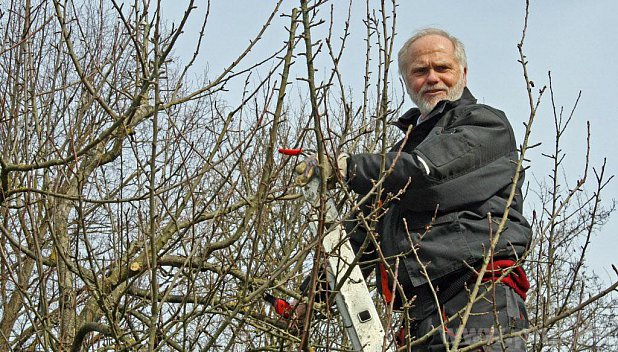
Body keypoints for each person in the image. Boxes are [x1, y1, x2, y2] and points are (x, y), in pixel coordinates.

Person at [302, 28, 532, 351]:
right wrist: (309, 302)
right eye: (420, 71)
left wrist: (347, 168)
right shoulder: (402, 157)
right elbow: (361, 238)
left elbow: (429, 176)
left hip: (478, 297)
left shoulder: (485, 126)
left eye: (443, 68)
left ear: (463, 74)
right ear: (407, 80)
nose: (432, 78)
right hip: (419, 315)